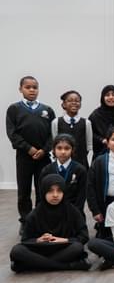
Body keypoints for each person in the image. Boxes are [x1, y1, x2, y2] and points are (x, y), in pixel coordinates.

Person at [10, 174, 90, 272]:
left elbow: (84, 236)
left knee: (77, 247)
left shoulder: (72, 211)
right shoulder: (34, 214)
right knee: (17, 250)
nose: (55, 195)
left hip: (63, 249)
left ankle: (30, 266)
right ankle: (68, 266)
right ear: (44, 192)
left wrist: (63, 240)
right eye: (50, 191)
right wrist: (39, 240)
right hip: (41, 251)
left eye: (59, 191)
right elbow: (25, 240)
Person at [6, 76, 55, 230]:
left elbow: (52, 134)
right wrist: (29, 148)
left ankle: (41, 220)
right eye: (28, 87)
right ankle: (26, 222)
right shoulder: (14, 109)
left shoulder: (47, 110)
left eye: (35, 87)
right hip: (24, 158)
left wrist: (44, 150)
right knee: (24, 191)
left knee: (43, 189)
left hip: (43, 157)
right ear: (21, 89)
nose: (32, 90)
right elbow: (12, 133)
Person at [39, 134, 87, 214]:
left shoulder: (80, 170)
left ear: (72, 150)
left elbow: (81, 197)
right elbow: (41, 194)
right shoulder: (47, 170)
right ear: (53, 150)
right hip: (51, 212)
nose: (63, 152)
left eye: (67, 148)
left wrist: (75, 214)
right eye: (59, 148)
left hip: (73, 212)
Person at [51, 90, 93, 169]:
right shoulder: (56, 122)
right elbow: (54, 143)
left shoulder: (86, 123)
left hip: (81, 162)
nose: (74, 103)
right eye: (70, 101)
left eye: (77, 101)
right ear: (63, 104)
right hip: (62, 162)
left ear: (80, 104)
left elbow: (88, 146)